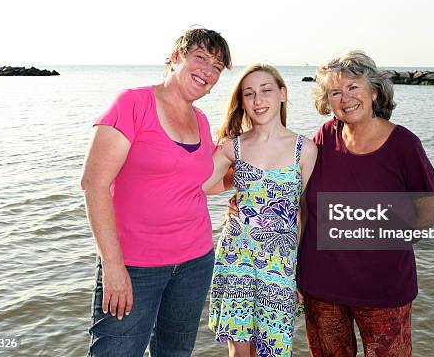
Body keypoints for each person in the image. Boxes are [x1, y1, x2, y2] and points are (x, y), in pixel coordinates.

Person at [80, 28, 231, 357]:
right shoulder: (133, 103)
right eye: (201, 58)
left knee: (175, 354)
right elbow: (94, 184)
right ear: (176, 58)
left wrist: (251, 178)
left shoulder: (202, 120)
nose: (208, 71)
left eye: (217, 67)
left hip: (195, 262)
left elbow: (201, 185)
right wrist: (113, 266)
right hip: (134, 266)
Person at [296, 50, 434, 357]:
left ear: (373, 91)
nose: (345, 98)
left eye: (353, 87)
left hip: (383, 288)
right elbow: (303, 205)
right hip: (320, 284)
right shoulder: (324, 137)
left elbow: (428, 213)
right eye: (335, 91)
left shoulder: (405, 145)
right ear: (328, 101)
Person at [203, 64, 317, 357]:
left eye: (266, 90)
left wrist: (299, 273)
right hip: (236, 256)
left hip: (280, 262)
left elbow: (304, 213)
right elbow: (203, 185)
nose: (258, 100)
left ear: (282, 94)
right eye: (249, 94)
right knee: (240, 351)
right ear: (242, 102)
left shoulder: (304, 149)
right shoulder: (233, 147)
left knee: (273, 348)